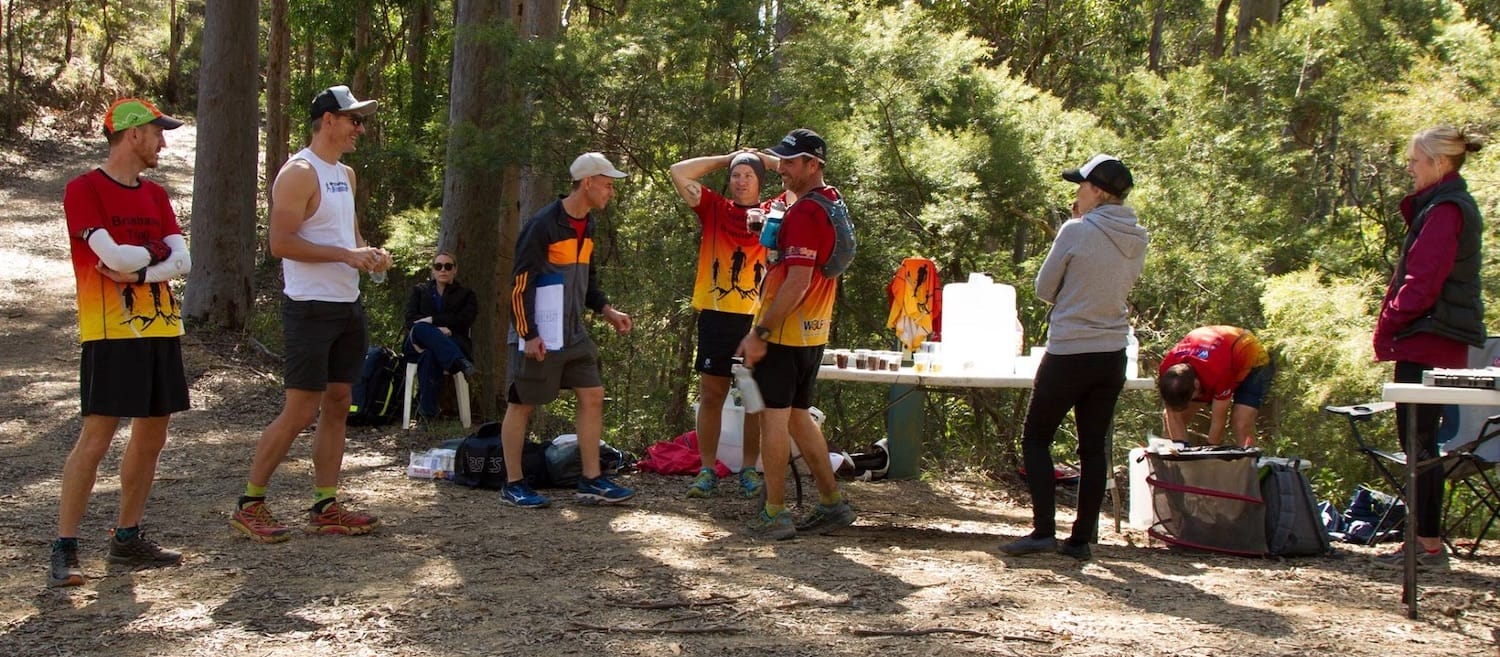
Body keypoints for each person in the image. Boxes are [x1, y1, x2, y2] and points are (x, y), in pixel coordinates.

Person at [230, 85, 390, 542]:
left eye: (362, 120)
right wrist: (344, 254)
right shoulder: (299, 172)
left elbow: (350, 236)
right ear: (327, 121)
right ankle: (250, 503)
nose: (360, 128)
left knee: (339, 402)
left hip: (347, 305)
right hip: (309, 307)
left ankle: (325, 503)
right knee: (300, 410)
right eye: (353, 119)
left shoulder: (347, 174)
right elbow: (280, 243)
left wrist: (370, 255)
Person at [51, 98, 191, 587]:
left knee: (153, 435)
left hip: (161, 327)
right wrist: (154, 258)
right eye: (157, 132)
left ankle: (127, 538)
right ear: (133, 135)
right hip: (109, 329)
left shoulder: (156, 196)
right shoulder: (84, 189)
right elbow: (108, 253)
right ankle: (65, 548)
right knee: (97, 436)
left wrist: (143, 265)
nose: (163, 142)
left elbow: (182, 260)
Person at [1001, 154, 1148, 561]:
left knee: (1036, 437)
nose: (1077, 193)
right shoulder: (1138, 236)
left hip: (1070, 350)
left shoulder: (1075, 230)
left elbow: (1044, 288)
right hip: (1112, 352)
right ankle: (1081, 540)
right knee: (1092, 446)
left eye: (1081, 186)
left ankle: (1044, 530)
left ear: (1097, 192)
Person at [1372, 126, 1486, 571]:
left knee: (1419, 438)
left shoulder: (1445, 210)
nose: (1410, 168)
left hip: (1430, 333)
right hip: (1430, 332)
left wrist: (1395, 317)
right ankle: (1422, 537)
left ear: (1438, 164)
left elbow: (1423, 278)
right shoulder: (1442, 205)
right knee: (1417, 437)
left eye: (1415, 161)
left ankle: (1428, 541)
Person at [498, 152, 636, 508]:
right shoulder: (543, 224)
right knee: (522, 404)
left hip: (573, 333)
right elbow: (519, 284)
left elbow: (587, 279)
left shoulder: (587, 224)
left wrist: (606, 310)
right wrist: (528, 333)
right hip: (538, 332)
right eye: (607, 184)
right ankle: (513, 483)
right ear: (587, 183)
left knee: (592, 394)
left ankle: (591, 480)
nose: (611, 192)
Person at [737, 128, 854, 539]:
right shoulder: (830, 200)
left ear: (813, 165)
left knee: (774, 420)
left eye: (791, 162)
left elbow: (798, 279)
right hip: (812, 331)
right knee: (800, 418)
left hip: (784, 332)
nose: (782, 169)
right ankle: (831, 503)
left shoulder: (805, 212)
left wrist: (761, 332)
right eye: (780, 161)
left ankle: (775, 512)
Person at [669, 149, 780, 499]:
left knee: (753, 398)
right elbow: (679, 172)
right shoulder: (715, 208)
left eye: (749, 175)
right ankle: (706, 470)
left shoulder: (775, 211)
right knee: (712, 394)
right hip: (716, 314)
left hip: (757, 319)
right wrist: (729, 157)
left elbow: (802, 187)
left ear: (760, 181)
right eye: (736, 175)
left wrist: (767, 159)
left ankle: (749, 469)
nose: (741, 180)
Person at [1158, 325, 1273, 447]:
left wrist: (1210, 453)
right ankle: (1170, 462)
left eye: (1191, 397)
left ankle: (1250, 462)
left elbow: (1218, 421)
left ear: (1197, 385)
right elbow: (1172, 412)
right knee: (1174, 416)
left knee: (1241, 422)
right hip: (1214, 357)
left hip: (1252, 361)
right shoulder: (1167, 369)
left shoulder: (1219, 373)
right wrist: (1179, 448)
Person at [403, 251, 476, 420]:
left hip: (450, 342)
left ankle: (427, 414)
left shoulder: (466, 295)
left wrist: (433, 319)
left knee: (430, 354)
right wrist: (438, 327)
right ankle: (459, 361)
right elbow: (410, 319)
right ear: (433, 270)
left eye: (448, 266)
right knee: (420, 328)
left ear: (455, 270)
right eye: (438, 266)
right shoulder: (420, 291)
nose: (443, 270)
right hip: (416, 344)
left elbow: (465, 319)